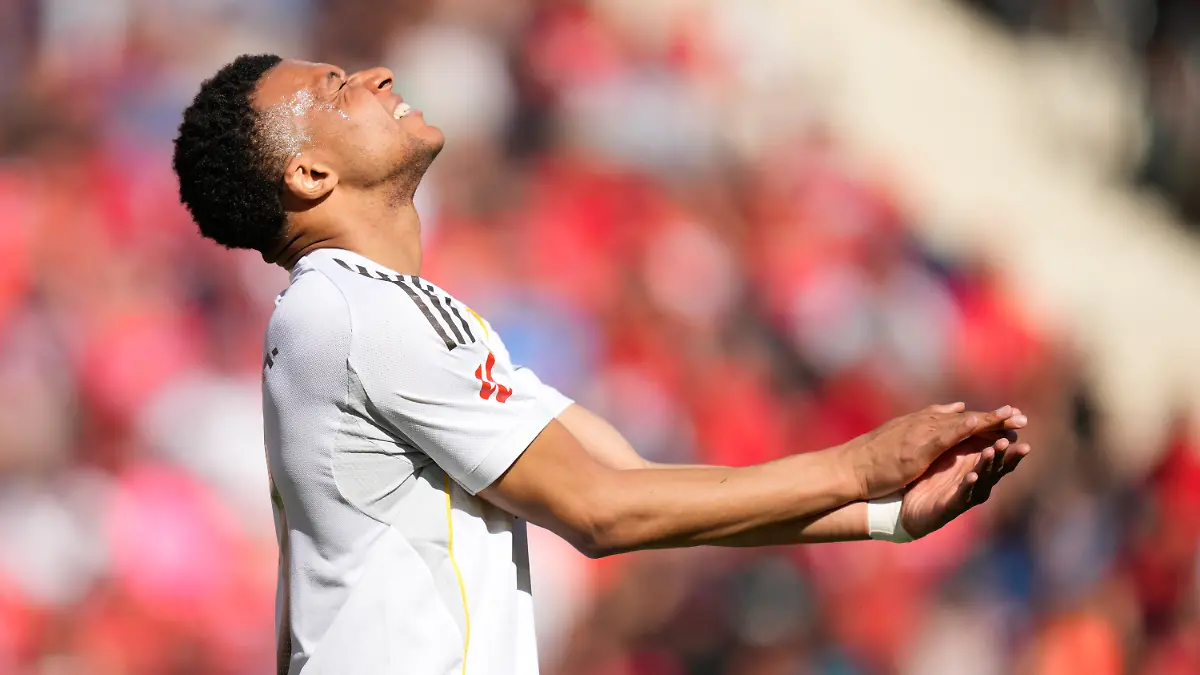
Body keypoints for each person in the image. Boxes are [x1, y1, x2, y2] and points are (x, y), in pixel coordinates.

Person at [171, 54, 1032, 675]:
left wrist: (879, 512)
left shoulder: (371, 313)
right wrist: (855, 463)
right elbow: (601, 510)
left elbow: (632, 481)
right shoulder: (364, 310)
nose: (374, 79)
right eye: (334, 89)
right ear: (311, 173)